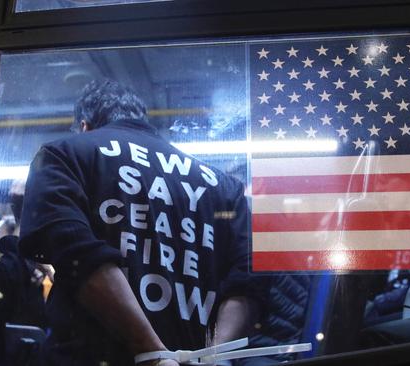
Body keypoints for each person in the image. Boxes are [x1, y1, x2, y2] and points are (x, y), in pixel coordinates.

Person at [18, 79, 263, 365]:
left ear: (84, 126)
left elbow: (79, 256)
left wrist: (154, 354)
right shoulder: (224, 186)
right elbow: (248, 279)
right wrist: (215, 358)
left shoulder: (63, 154)